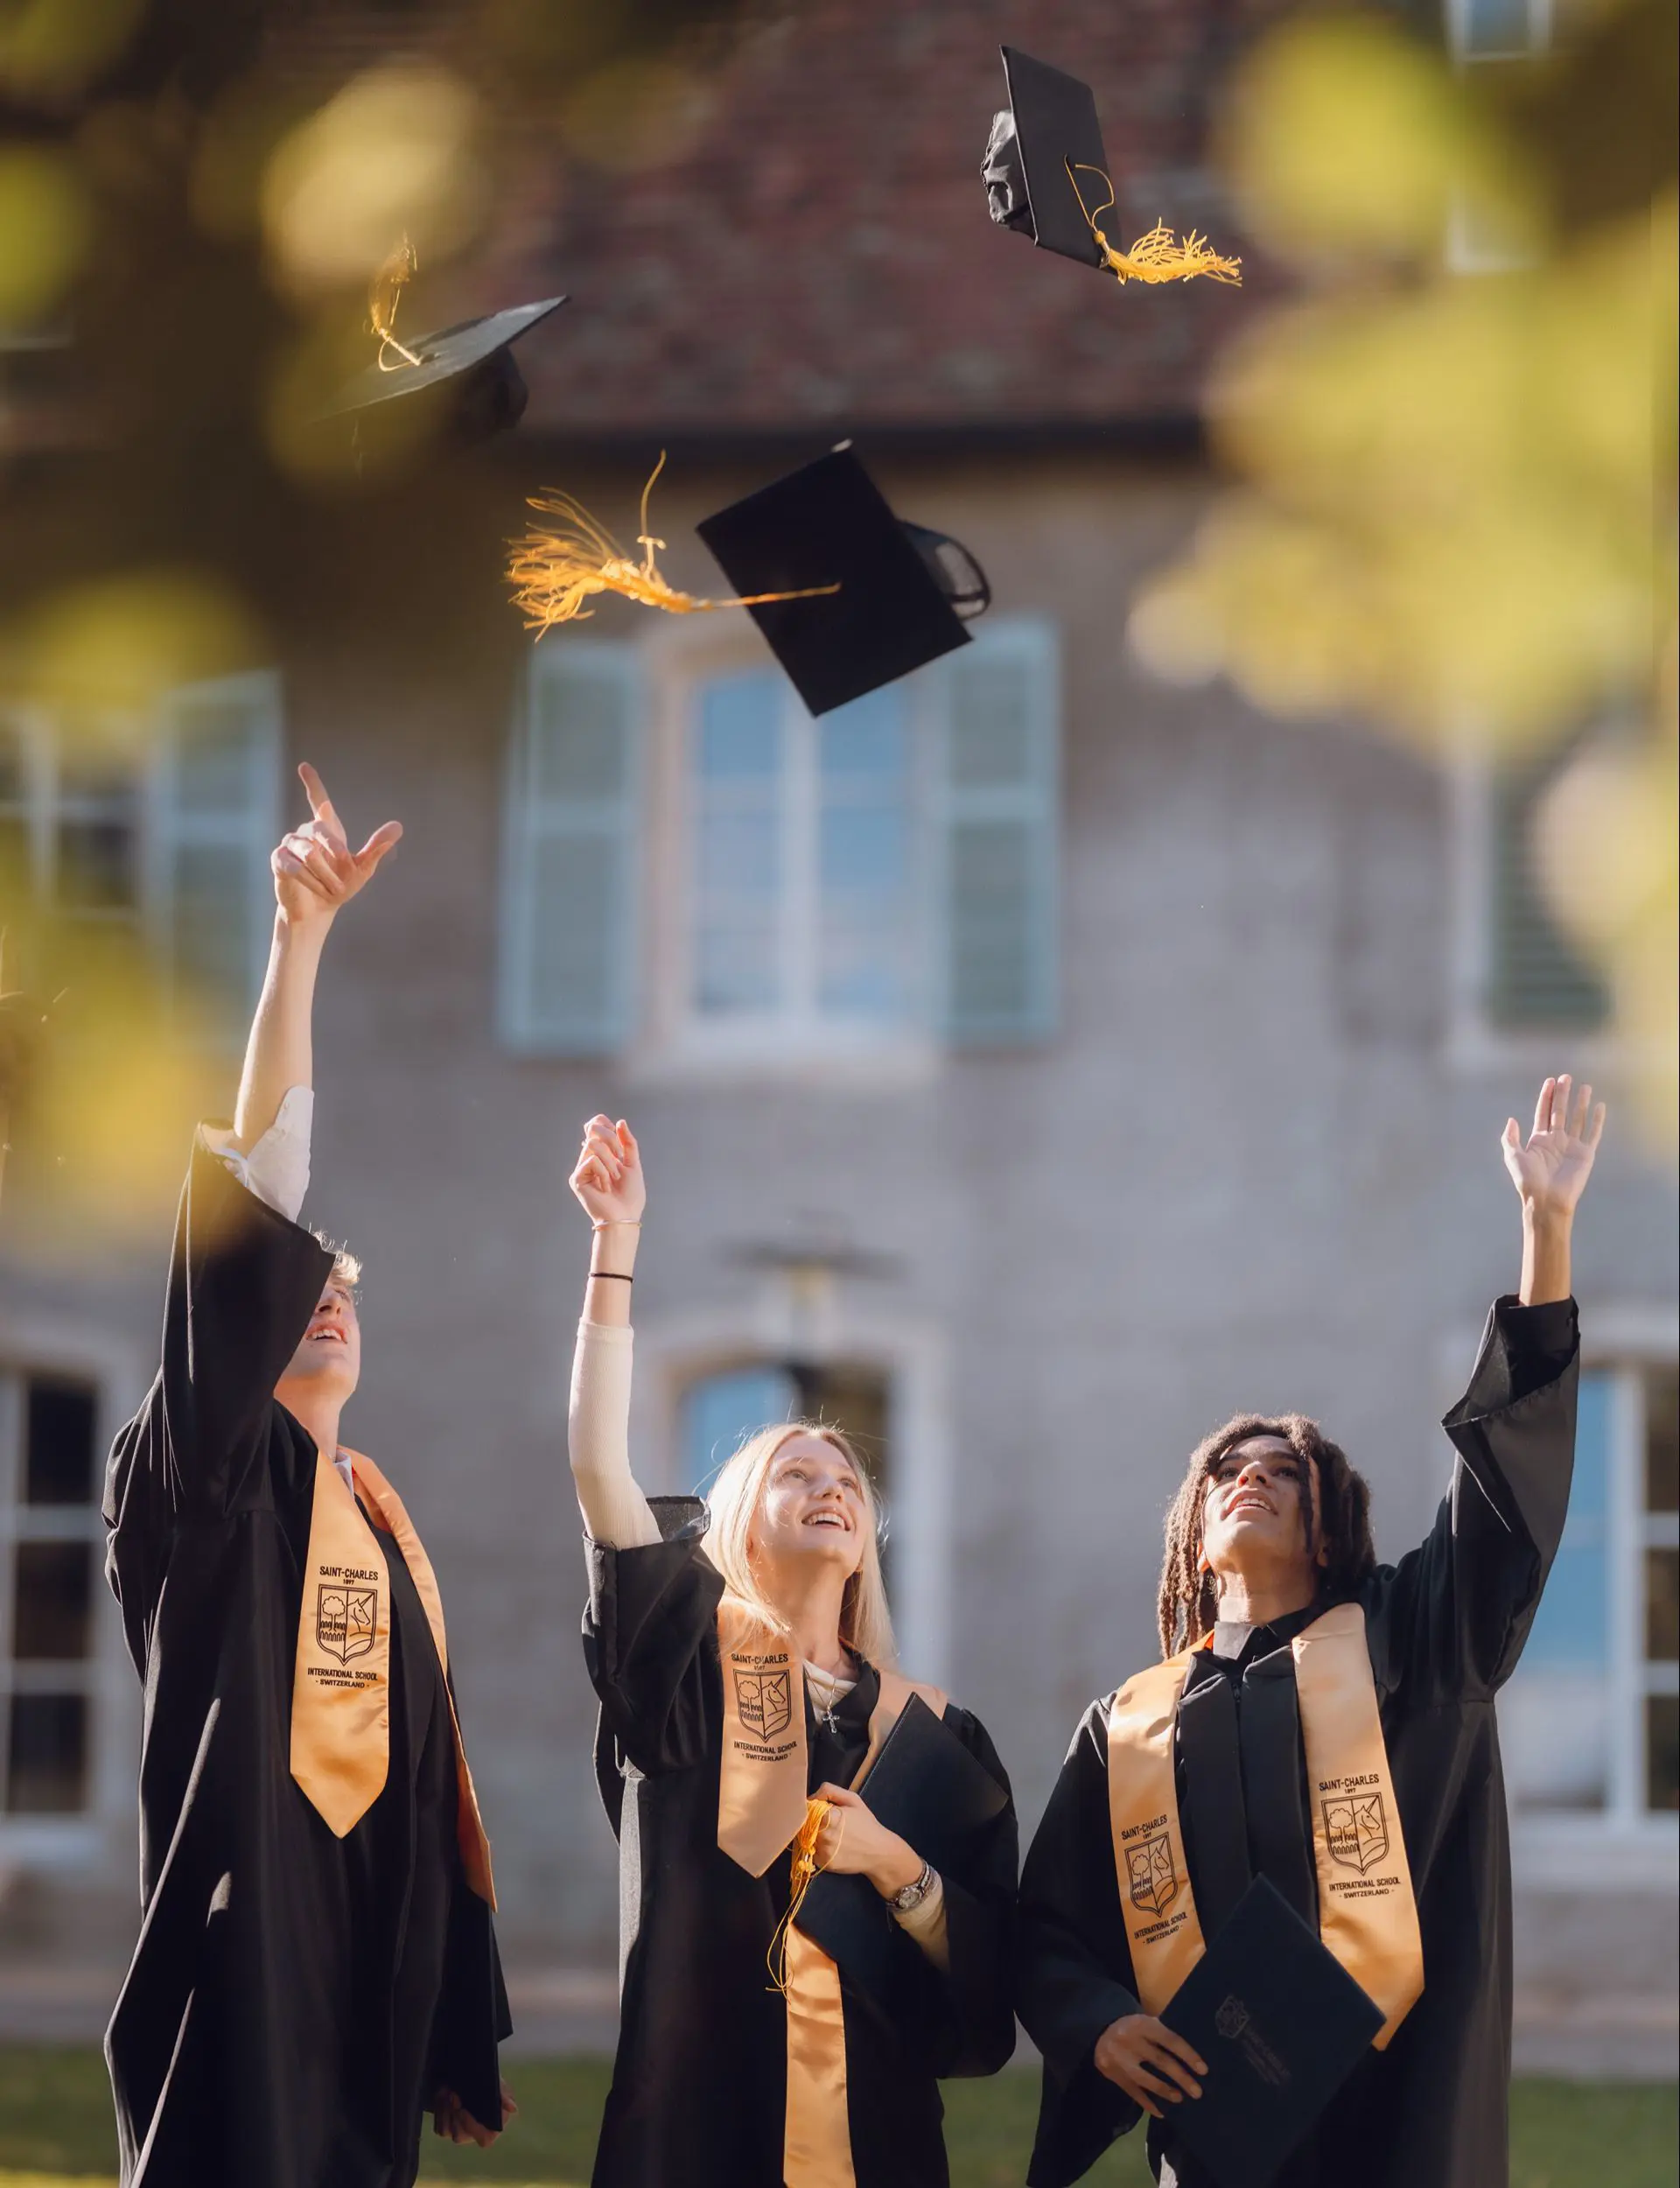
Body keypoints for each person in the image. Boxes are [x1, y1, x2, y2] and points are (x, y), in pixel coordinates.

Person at [1016, 1076, 1606, 2188]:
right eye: (1227, 1472)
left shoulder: (1406, 1640)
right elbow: (1049, 1923)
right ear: (1192, 1538)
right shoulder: (1131, 1723)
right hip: (1216, 2123)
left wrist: (1546, 1235)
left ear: (1332, 1519)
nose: (1252, 1478)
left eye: (1285, 1470)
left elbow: (1499, 1510)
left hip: (1392, 2110)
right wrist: (1097, 2023)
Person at [102, 765, 514, 2187]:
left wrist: (457, 2016)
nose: (326, 1293)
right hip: (242, 1955)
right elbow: (260, 1201)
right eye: (303, 1286)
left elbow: (422, 1790)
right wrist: (301, 945)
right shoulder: (200, 1475)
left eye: (349, 1286)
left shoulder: (384, 1524)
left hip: (367, 1981)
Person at [566, 1113, 1018, 2188]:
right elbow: (597, 1470)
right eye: (796, 1473)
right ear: (737, 1521)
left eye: (849, 1482)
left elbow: (989, 1982)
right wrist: (615, 1248)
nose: (831, 1488)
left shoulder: (938, 1739)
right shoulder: (679, 1675)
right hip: (700, 2130)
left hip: (881, 2141)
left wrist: (900, 1869)